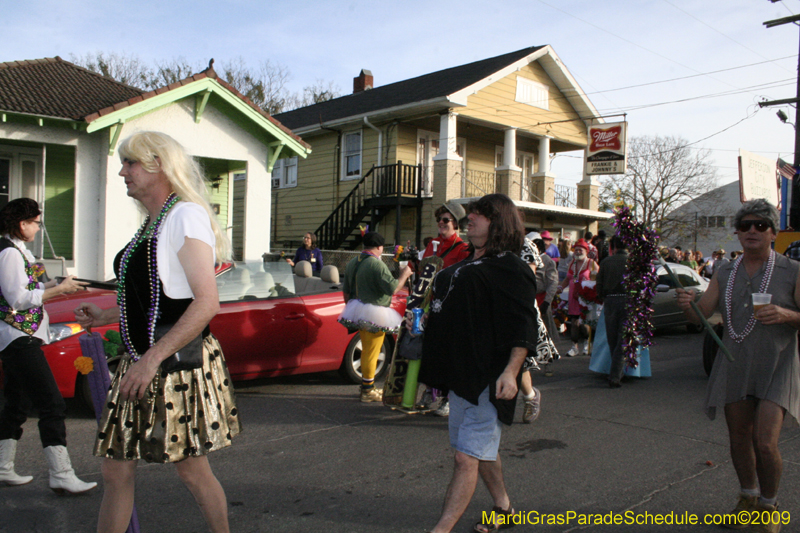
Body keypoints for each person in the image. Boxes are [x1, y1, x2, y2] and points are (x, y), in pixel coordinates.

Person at [74, 132, 242, 533]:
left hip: (172, 365)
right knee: (115, 472)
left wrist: (151, 360)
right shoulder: (153, 221)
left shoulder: (184, 214)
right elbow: (151, 298)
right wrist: (102, 316)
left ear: (158, 164)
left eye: (130, 163)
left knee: (191, 471)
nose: (121, 172)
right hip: (142, 361)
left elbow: (206, 303)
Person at [419, 194, 538, 533]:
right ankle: (504, 506)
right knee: (478, 450)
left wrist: (512, 372)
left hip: (489, 376)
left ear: (498, 222)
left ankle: (441, 529)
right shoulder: (465, 262)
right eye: (470, 213)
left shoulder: (511, 267)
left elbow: (522, 324)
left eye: (480, 214)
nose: (470, 218)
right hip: (461, 375)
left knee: (465, 456)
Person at [677, 199, 799, 531]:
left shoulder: (793, 270)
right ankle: (748, 497)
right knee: (739, 437)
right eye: (745, 226)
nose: (751, 231)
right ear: (737, 233)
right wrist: (689, 305)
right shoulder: (725, 271)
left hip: (779, 364)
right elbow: (701, 316)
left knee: (764, 440)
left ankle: (769, 506)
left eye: (760, 225)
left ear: (773, 232)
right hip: (735, 360)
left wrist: (788, 315)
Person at [0, 198, 96, 493]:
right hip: (18, 338)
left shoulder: (15, 251)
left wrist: (55, 284)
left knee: (17, 405)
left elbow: (29, 287)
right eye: (36, 222)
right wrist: (59, 291)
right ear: (22, 223)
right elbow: (18, 298)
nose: (39, 228)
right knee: (52, 404)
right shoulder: (9, 254)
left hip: (19, 338)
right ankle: (61, 474)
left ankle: (2, 468)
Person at [340, 232, 413, 401]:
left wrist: (352, 309)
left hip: (357, 309)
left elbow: (346, 291)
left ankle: (367, 386)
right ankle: (368, 390)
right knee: (372, 351)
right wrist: (405, 274)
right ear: (379, 247)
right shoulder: (376, 265)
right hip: (375, 312)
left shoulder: (353, 262)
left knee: (367, 350)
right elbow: (393, 288)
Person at [419, 202, 471, 416]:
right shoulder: (433, 244)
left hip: (449, 307)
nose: (441, 223)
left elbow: (460, 279)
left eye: (446, 220)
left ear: (456, 224)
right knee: (431, 351)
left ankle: (448, 398)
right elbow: (422, 272)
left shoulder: (462, 248)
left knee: (449, 354)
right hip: (429, 304)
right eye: (439, 219)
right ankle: (431, 391)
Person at [595, 235, 629, 388]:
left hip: (610, 301)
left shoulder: (606, 262)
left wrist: (604, 297)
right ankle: (616, 374)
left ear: (614, 247)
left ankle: (616, 372)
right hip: (628, 301)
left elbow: (599, 286)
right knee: (623, 340)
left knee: (613, 338)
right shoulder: (633, 263)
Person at [557, 239, 598, 356]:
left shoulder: (591, 263)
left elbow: (598, 279)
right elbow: (567, 279)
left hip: (586, 298)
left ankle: (587, 344)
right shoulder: (572, 263)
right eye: (576, 250)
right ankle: (574, 347)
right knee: (574, 322)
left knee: (585, 323)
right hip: (573, 297)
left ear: (586, 251)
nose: (578, 252)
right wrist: (560, 287)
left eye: (581, 249)